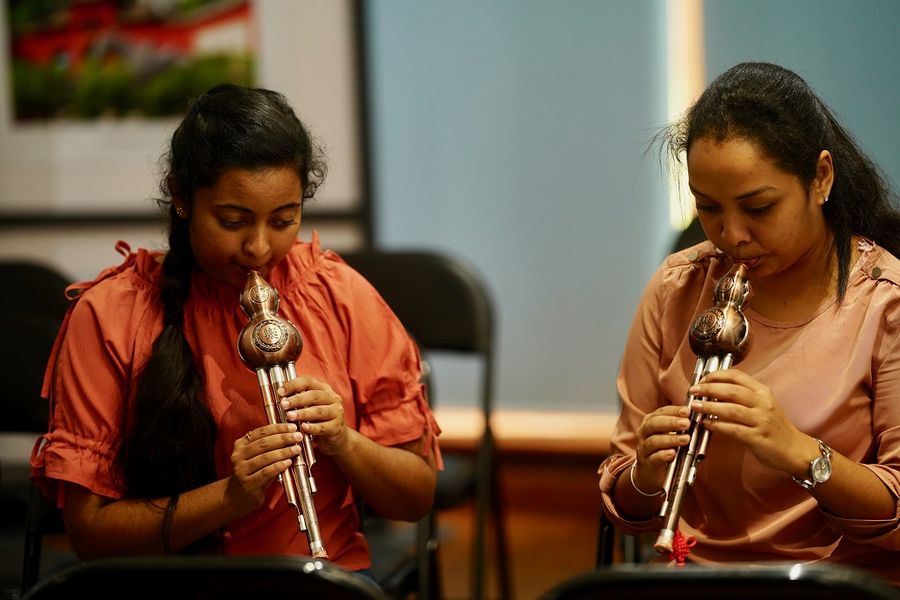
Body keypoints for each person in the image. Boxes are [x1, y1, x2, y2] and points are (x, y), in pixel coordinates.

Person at [31, 84, 441, 581]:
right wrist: (228, 497)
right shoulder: (110, 314)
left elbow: (414, 499)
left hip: (315, 582)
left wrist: (342, 440)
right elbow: (90, 535)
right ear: (182, 197)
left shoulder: (338, 293)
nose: (259, 248)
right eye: (232, 221)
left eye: (284, 220)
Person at [598, 62, 900, 586]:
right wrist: (645, 470)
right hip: (694, 577)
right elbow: (625, 508)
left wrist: (799, 452)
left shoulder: (884, 302)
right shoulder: (676, 287)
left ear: (821, 178)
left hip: (839, 585)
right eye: (708, 208)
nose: (732, 235)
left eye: (758, 208)